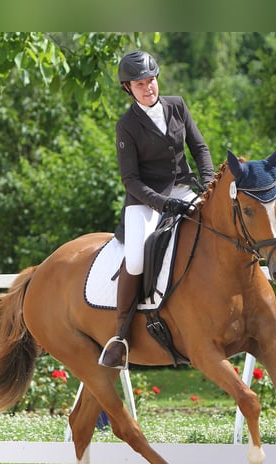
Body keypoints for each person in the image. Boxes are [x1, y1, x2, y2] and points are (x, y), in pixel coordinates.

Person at [98, 50, 215, 369]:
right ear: (128, 88)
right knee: (135, 257)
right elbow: (131, 180)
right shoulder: (127, 125)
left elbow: (199, 147)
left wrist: (208, 182)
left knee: (217, 231)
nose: (148, 87)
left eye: (151, 80)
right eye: (140, 84)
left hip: (183, 188)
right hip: (145, 201)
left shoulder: (177, 105)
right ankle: (120, 336)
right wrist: (164, 203)